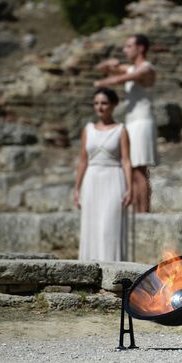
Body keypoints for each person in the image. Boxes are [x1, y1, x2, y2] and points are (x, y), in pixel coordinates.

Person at [95, 34, 157, 213]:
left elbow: (119, 79)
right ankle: (139, 211)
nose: (125, 50)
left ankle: (144, 212)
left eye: (129, 46)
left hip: (142, 122)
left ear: (141, 48)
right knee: (132, 169)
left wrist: (102, 82)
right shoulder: (130, 68)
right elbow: (101, 68)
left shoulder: (146, 69)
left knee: (139, 170)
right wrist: (108, 64)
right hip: (132, 123)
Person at [74, 88, 132, 261]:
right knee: (91, 225)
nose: (100, 107)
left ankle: (112, 270)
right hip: (91, 180)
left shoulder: (121, 130)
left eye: (104, 103)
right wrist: (76, 188)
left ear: (113, 105)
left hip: (113, 178)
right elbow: (83, 160)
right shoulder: (88, 130)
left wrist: (130, 189)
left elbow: (126, 160)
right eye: (97, 103)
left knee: (110, 226)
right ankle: (88, 268)